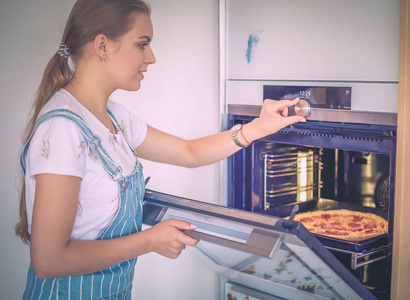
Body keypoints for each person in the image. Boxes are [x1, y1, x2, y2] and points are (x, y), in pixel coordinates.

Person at [16, 0, 305, 298]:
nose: (151, 57)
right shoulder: (63, 128)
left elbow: (188, 152)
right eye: (142, 44)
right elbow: (48, 261)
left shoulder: (112, 116)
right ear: (102, 45)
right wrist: (149, 240)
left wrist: (257, 128)